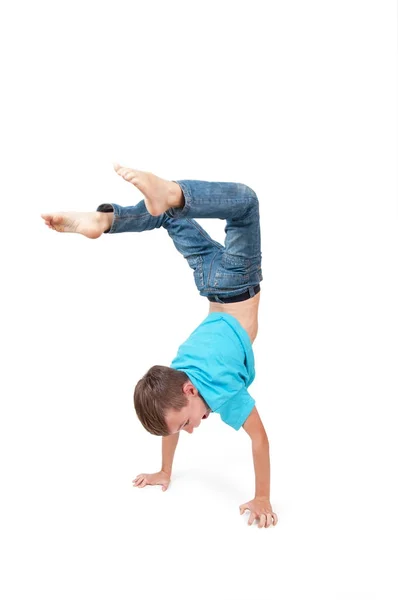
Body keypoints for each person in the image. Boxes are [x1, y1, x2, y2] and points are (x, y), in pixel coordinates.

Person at [41, 163, 278, 529]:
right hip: (208, 279)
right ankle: (106, 222)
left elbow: (259, 439)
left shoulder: (224, 393)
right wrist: (164, 471)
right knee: (165, 215)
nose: (191, 429)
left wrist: (262, 496)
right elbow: (171, 424)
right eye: (184, 428)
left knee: (246, 203)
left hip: (237, 278)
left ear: (189, 388)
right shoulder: (177, 370)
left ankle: (174, 192)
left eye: (186, 423)